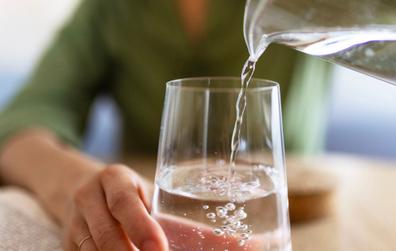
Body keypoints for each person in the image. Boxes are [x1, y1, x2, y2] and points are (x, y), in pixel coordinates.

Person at [0, 0, 327, 250]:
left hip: (310, 223)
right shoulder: (114, 9)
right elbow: (24, 118)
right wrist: (74, 184)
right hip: (147, 225)